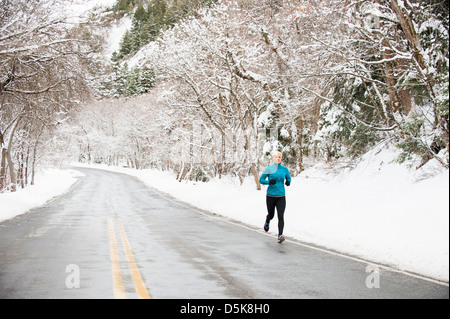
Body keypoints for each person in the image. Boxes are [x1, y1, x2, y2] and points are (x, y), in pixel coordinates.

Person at [259, 151, 291, 243]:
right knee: (272, 215)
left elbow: (288, 178)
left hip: (281, 196)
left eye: (280, 157)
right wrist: (269, 182)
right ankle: (268, 219)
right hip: (271, 196)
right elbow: (261, 180)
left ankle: (280, 235)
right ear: (273, 158)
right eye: (276, 157)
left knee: (281, 215)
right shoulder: (269, 169)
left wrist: (288, 182)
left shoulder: (284, 169)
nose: (278, 158)